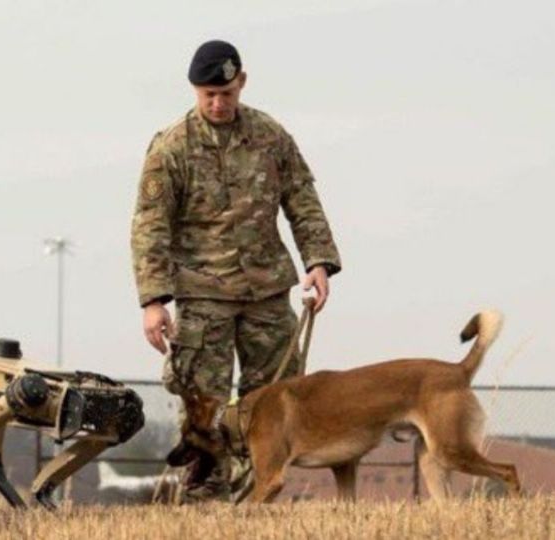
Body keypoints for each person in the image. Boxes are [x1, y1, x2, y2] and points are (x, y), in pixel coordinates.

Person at [130, 40, 342, 501]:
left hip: (266, 290)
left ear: (241, 82)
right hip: (203, 293)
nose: (217, 102)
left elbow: (302, 200)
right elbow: (150, 226)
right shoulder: (172, 148)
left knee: (275, 400)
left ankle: (257, 491)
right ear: (194, 90)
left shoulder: (270, 136)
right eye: (207, 94)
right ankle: (205, 494)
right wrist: (153, 300)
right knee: (203, 401)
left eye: (225, 92)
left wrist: (319, 262)